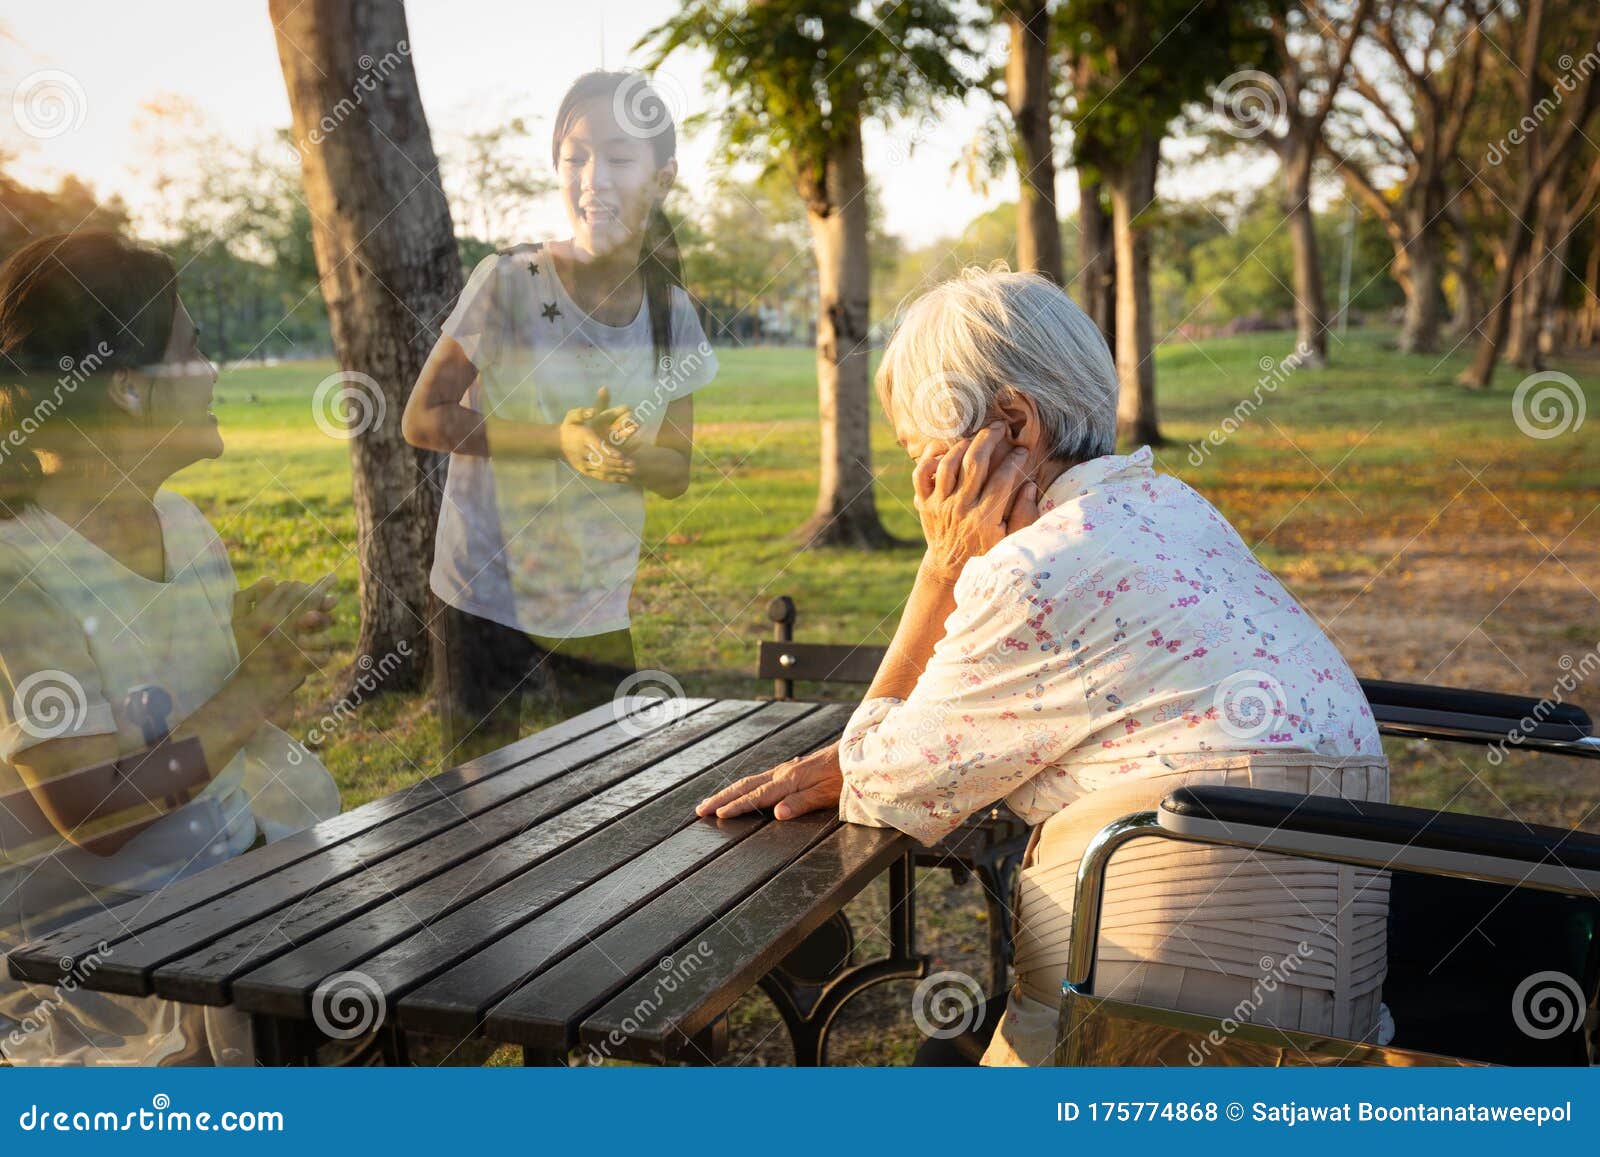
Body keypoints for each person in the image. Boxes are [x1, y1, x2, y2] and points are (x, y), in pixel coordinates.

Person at [697, 268, 1392, 1066]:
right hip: (1325, 1002)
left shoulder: (1035, 567)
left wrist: (941, 566)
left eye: (922, 458)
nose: (917, 486)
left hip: (1154, 1016)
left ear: (1014, 426)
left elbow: (880, 786)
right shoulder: (1176, 507)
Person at [0, 231, 341, 1065]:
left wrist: (256, 653)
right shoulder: (23, 572)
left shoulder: (184, 528)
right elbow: (94, 814)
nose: (214, 369)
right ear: (125, 390)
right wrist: (251, 689)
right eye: (191, 348)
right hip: (110, 980)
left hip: (226, 902)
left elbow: (214, 729)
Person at [404, 70, 718, 762]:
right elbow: (423, 419)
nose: (593, 178)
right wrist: (558, 440)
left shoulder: (673, 313)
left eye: (618, 156)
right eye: (575, 157)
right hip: (481, 593)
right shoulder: (509, 283)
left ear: (662, 179)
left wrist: (613, 453)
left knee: (606, 798)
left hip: (594, 604)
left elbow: (675, 470)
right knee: (479, 811)